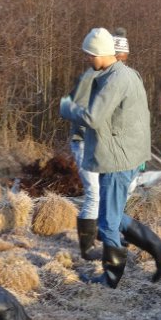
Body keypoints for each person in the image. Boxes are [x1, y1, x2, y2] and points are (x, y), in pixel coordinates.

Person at [60, 27, 161, 289]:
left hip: (118, 159)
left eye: (89, 54)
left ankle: (110, 280)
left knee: (109, 222)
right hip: (123, 154)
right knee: (108, 216)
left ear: (100, 54)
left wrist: (68, 108)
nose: (87, 59)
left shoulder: (116, 80)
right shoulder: (124, 74)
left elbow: (92, 118)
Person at [66, 66, 101, 260]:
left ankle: (101, 234)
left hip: (95, 145)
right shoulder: (89, 80)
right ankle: (86, 249)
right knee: (94, 194)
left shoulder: (97, 79)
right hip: (83, 144)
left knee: (103, 191)